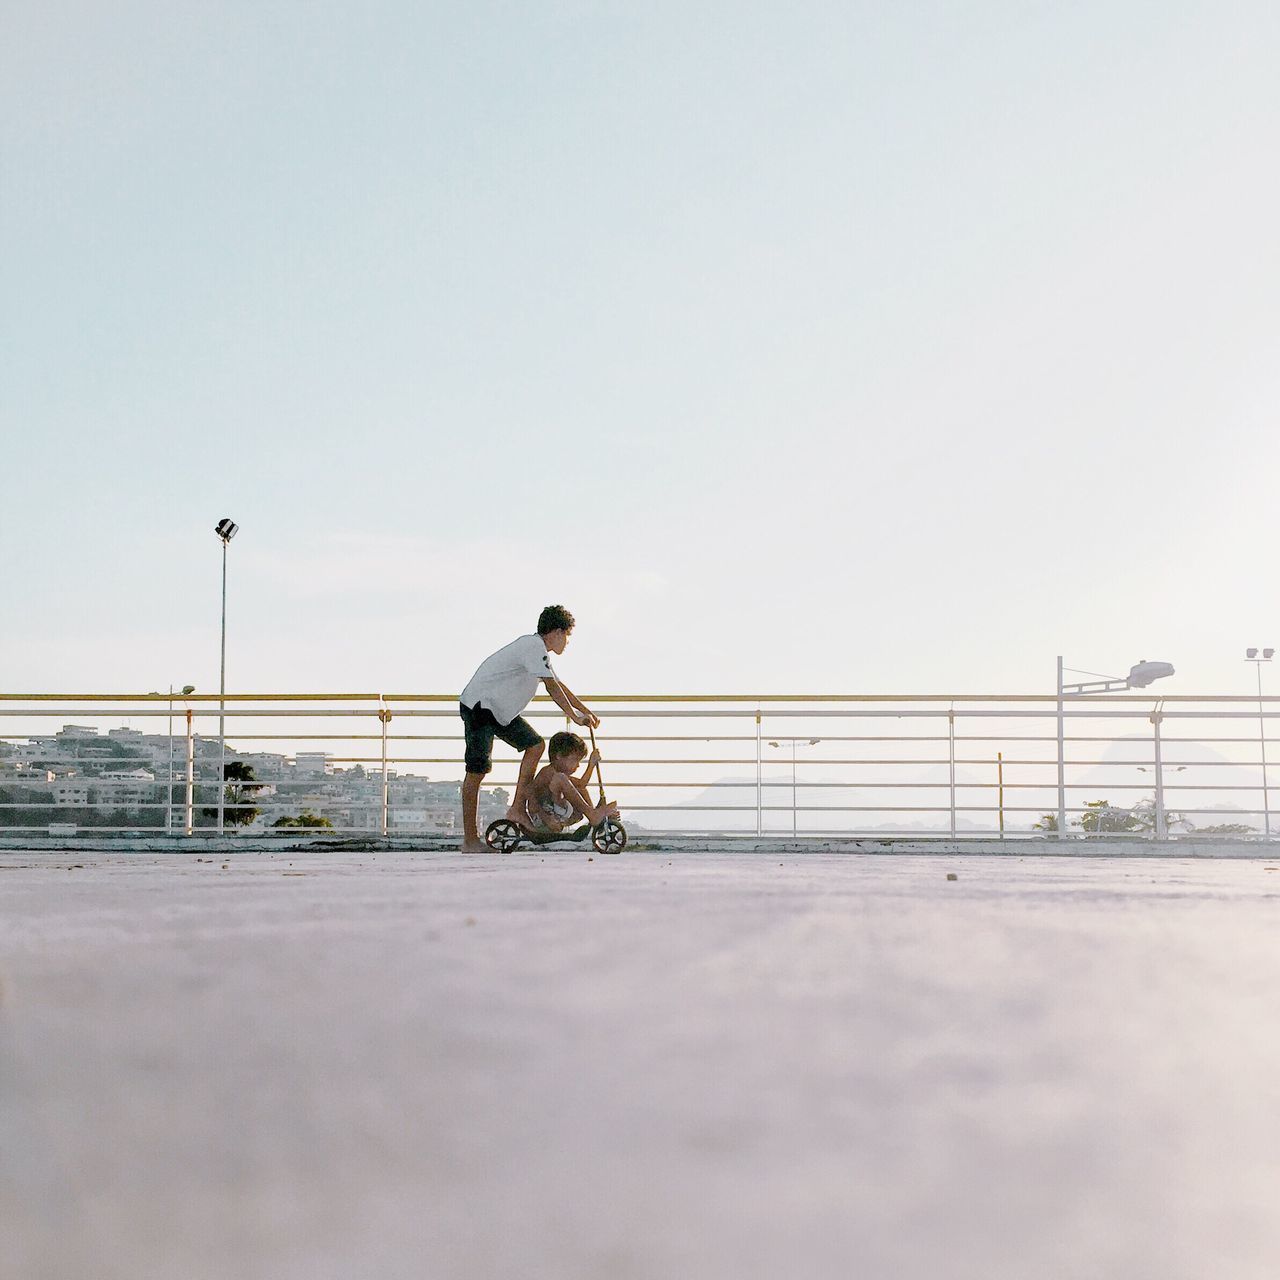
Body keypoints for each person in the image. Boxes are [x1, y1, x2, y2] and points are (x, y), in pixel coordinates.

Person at [459, 605, 600, 852]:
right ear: (557, 632)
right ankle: (470, 840)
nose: (567, 642)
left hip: (499, 713)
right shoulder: (532, 647)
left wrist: (583, 711)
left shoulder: (539, 653)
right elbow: (552, 688)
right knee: (477, 772)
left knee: (535, 745)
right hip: (480, 707)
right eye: (567, 636)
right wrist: (575, 717)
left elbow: (559, 685)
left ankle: (517, 808)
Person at [523, 731, 620, 833]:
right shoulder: (547, 772)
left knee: (580, 789)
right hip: (543, 818)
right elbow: (528, 792)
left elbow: (582, 785)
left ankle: (595, 818)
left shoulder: (561, 776)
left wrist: (591, 765)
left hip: (558, 816)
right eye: (575, 760)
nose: (578, 765)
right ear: (559, 756)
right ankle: (593, 815)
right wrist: (545, 817)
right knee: (561, 779)